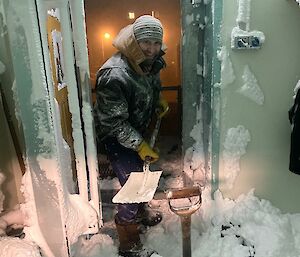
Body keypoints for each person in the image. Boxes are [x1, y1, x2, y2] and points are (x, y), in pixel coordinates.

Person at [93, 15, 169, 257]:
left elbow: (151, 83)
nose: (152, 48)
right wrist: (140, 144)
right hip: (116, 136)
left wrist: (157, 97)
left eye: (157, 43)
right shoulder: (114, 73)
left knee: (142, 174)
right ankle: (128, 243)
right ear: (134, 41)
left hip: (137, 128)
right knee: (133, 186)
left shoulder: (150, 61)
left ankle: (140, 212)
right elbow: (113, 122)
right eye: (146, 42)